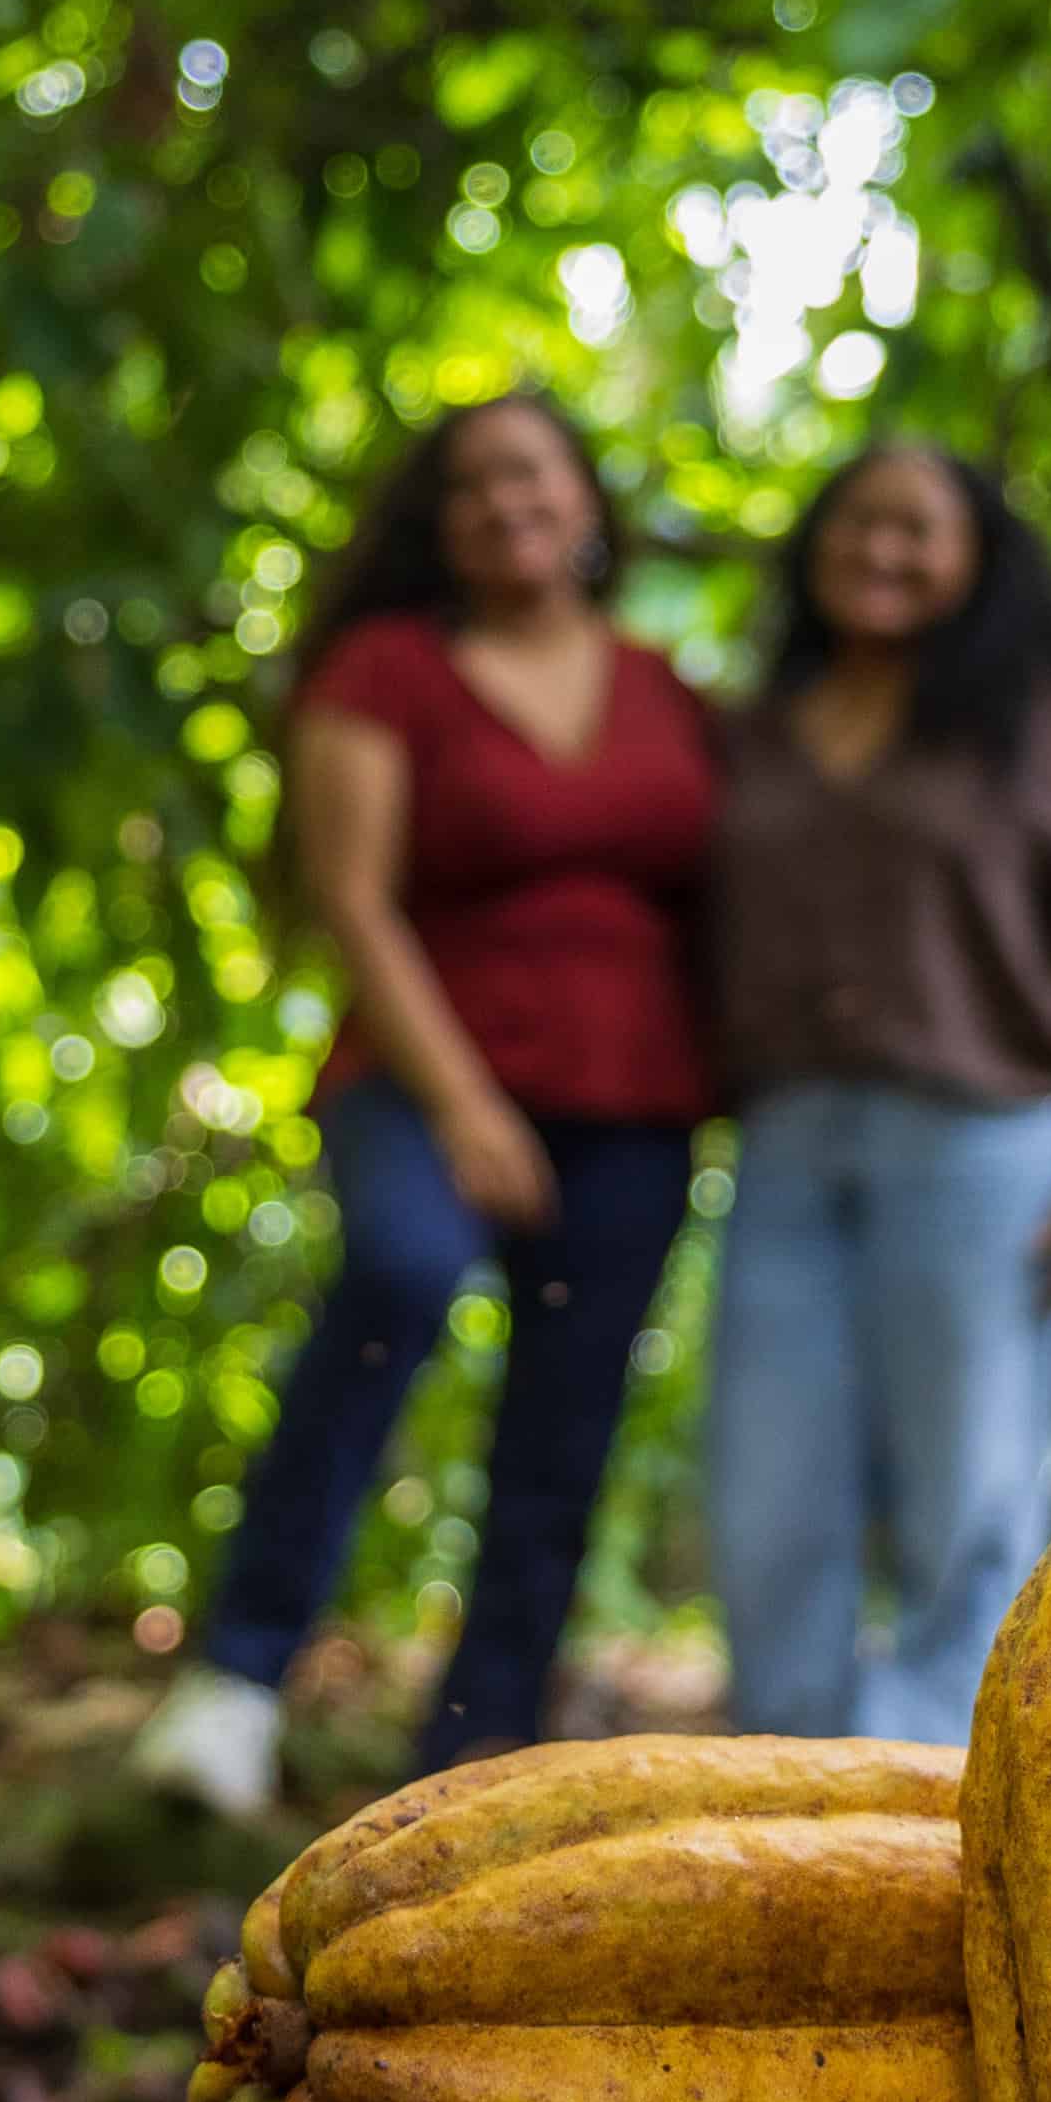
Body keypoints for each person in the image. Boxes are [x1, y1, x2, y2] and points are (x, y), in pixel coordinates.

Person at [130, 393, 724, 1817]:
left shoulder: (667, 691)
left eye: (532, 474)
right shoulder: (388, 670)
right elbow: (350, 895)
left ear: (586, 501)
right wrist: (465, 1107)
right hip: (423, 1072)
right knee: (397, 1276)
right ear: (437, 526)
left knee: (567, 1414)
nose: (505, 504)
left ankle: (476, 1747)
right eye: (470, 487)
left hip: (636, 1102)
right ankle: (237, 1682)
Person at [700, 442, 1051, 1743]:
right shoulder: (760, 727)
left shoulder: (1048, 729)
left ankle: (938, 1790)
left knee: (973, 1493)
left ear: (975, 558)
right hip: (789, 1146)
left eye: (918, 530)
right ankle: (789, 1790)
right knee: (766, 1498)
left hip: (985, 1143)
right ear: (813, 542)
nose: (882, 551)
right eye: (857, 522)